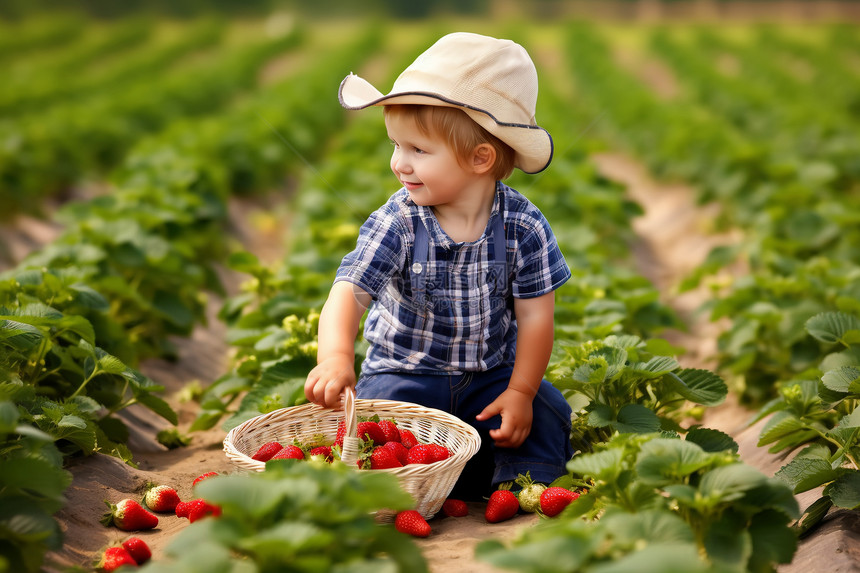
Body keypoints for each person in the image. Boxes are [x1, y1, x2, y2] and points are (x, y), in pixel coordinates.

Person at [304, 32, 573, 499]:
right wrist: (335, 357)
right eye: (396, 146)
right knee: (381, 425)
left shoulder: (523, 226)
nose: (399, 164)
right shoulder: (399, 220)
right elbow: (349, 291)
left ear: (480, 157)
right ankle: (424, 479)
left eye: (418, 151)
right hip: (405, 376)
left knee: (548, 410)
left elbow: (536, 317)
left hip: (489, 377)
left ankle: (518, 482)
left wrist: (521, 391)